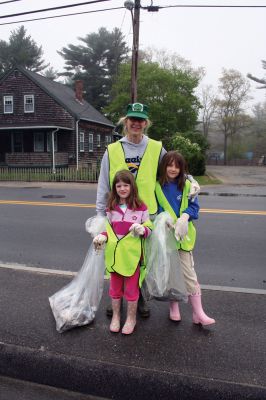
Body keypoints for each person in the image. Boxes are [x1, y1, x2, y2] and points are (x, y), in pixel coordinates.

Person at [96, 102, 200, 317]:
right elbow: (104, 184)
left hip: (146, 215)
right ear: (126, 122)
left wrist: (191, 179)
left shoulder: (155, 148)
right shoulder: (112, 150)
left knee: (143, 259)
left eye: (140, 120)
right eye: (132, 119)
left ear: (145, 123)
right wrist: (99, 216)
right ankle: (116, 298)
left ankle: (140, 297)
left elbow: (173, 169)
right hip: (118, 215)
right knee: (116, 255)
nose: (136, 123)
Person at [155, 151, 215, 326]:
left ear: (182, 168)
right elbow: (155, 209)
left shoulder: (187, 185)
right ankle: (174, 308)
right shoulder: (157, 186)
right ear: (163, 166)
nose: (173, 169)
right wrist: (163, 221)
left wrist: (185, 217)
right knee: (171, 274)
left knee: (189, 274)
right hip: (166, 237)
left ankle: (198, 313)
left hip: (183, 237)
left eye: (177, 165)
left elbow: (195, 207)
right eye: (169, 165)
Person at [93, 170, 152, 335]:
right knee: (115, 288)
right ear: (114, 188)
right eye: (118, 185)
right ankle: (116, 316)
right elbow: (109, 230)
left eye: (126, 185)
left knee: (132, 290)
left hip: (132, 258)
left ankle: (131, 318)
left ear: (132, 186)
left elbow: (149, 229)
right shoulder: (111, 207)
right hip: (114, 257)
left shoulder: (141, 207)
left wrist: (143, 229)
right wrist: (102, 236)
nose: (122, 188)